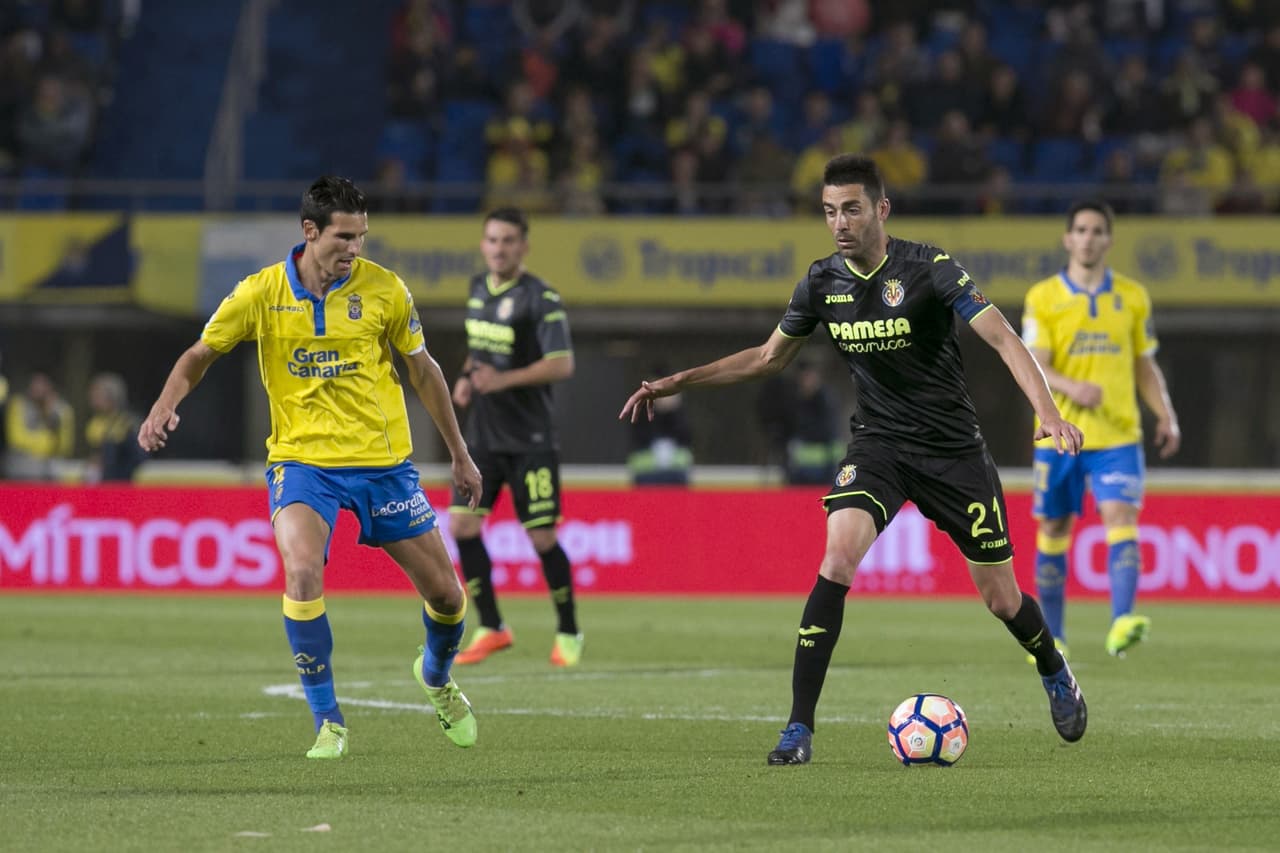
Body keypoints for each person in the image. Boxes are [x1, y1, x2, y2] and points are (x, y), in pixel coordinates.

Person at [620, 155, 1088, 766]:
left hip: (953, 453)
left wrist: (1047, 413)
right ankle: (797, 729)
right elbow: (767, 358)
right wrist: (680, 380)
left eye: (851, 209)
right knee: (837, 559)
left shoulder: (929, 267)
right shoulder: (821, 282)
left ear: (881, 210)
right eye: (829, 211)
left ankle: (1053, 667)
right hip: (879, 446)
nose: (839, 222)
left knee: (1002, 598)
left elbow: (1001, 335)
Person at [137, 176, 483, 760]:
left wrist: (459, 452)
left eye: (362, 236)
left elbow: (423, 371)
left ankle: (435, 676)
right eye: (344, 236)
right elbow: (200, 354)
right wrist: (164, 405)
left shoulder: (385, 290)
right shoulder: (260, 293)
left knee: (448, 597)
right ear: (310, 231)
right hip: (302, 463)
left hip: (382, 465)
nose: (355, 248)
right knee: (301, 572)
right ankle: (328, 721)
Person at [1022, 199, 1181, 660]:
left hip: (1118, 435)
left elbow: (1143, 364)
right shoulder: (1043, 297)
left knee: (1121, 519)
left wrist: (1166, 413)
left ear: (1108, 240)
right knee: (1054, 526)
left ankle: (1122, 621)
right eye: (1081, 230)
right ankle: (1052, 636)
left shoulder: (1132, 297)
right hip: (1060, 434)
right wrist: (1075, 387)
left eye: (1097, 231)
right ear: (1068, 239)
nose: (1089, 238)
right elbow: (1035, 363)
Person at [449, 206, 582, 667]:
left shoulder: (540, 298)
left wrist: (500, 381)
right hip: (482, 438)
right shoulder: (475, 289)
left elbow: (562, 364)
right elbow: (479, 346)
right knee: (462, 526)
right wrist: (467, 376)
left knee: (542, 538)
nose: (499, 249)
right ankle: (492, 626)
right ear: (483, 244)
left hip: (530, 438)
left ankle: (569, 631)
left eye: (508, 241)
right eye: (492, 240)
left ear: (523, 245)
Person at [627, 363, 693, 486]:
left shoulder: (679, 412)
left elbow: (686, 437)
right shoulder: (640, 410)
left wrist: (672, 411)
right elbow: (640, 437)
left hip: (676, 473)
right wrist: (656, 410)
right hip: (646, 474)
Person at [5, 372, 75, 481]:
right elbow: (16, 439)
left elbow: (64, 446)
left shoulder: (62, 410)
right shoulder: (18, 404)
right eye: (35, 383)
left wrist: (49, 414)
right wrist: (46, 444)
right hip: (20, 471)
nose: (38, 388)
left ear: (51, 387)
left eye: (42, 384)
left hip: (51, 473)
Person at [84, 372, 145, 483]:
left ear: (111, 397)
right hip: (98, 482)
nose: (92, 398)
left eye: (97, 395)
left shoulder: (128, 423)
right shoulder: (95, 422)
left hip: (120, 483)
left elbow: (139, 457)